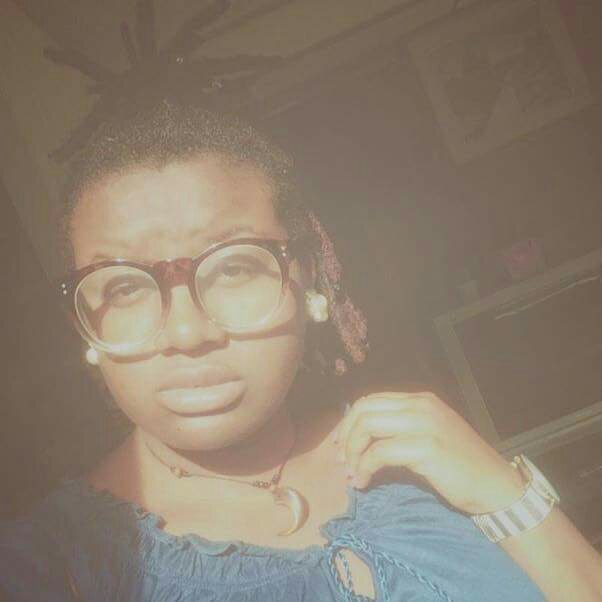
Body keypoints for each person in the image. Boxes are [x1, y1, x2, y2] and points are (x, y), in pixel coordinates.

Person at [1, 101, 600, 602]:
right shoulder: (49, 569)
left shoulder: (417, 455)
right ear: (85, 322)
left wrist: (508, 496)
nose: (186, 333)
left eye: (234, 268)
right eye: (125, 287)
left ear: (308, 277)